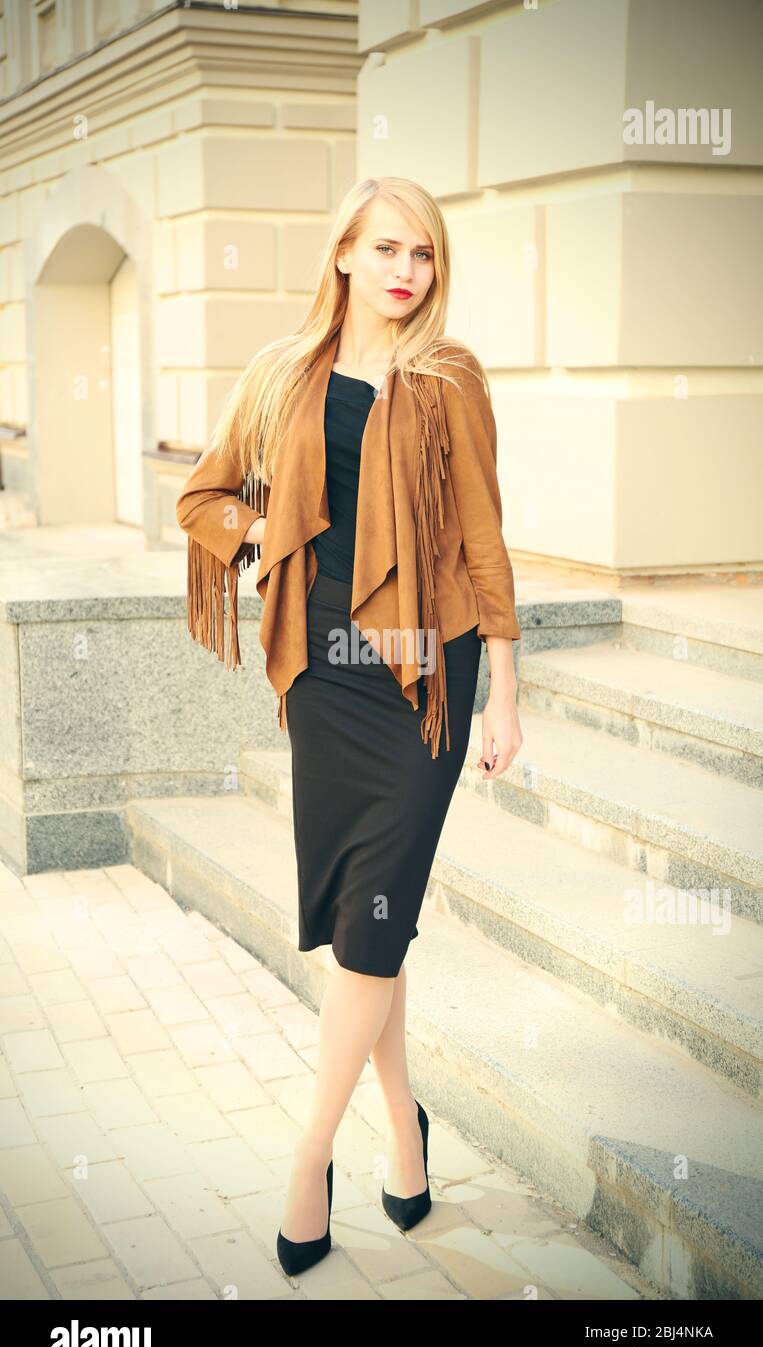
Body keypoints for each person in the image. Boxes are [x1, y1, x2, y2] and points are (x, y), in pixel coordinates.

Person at [175, 176, 523, 1277]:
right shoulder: (283, 374)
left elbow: (482, 538)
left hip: (426, 680)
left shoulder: (448, 381)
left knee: (373, 923)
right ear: (341, 256)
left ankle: (307, 1157)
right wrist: (263, 527)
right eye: (384, 248)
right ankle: (406, 1131)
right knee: (375, 918)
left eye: (421, 254)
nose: (403, 271)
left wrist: (504, 689)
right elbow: (200, 499)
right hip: (322, 682)